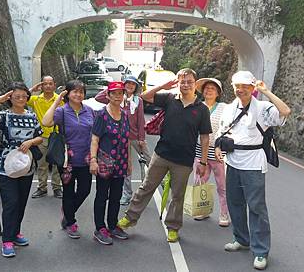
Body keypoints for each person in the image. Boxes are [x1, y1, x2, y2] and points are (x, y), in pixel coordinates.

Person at [117, 68, 212, 243]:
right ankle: (130, 218)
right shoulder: (169, 99)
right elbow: (145, 96)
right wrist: (164, 85)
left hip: (184, 160)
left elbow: (205, 137)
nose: (185, 84)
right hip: (161, 154)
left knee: (177, 195)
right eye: (182, 81)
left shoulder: (201, 109)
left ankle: (173, 227)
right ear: (178, 83)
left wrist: (203, 162)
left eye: (189, 81)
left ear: (195, 84)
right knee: (146, 187)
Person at [215, 71, 291, 270]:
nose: (241, 90)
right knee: (235, 203)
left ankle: (261, 251)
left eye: (246, 86)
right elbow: (221, 132)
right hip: (232, 162)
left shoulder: (264, 108)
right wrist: (217, 146)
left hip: (254, 164)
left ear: (252, 88)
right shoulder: (230, 108)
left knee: (256, 207)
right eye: (237, 86)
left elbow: (285, 111)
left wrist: (266, 91)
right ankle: (241, 239)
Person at [0, 82, 43, 258]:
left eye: (24, 96)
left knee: (21, 202)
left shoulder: (32, 116)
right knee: (10, 203)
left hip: (26, 166)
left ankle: (16, 232)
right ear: (10, 98)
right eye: (16, 96)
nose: (21, 99)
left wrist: (30, 142)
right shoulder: (5, 116)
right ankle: (7, 240)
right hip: (6, 166)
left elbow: (40, 136)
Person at [42, 79, 95, 240]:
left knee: (85, 190)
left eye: (81, 91)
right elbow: (46, 122)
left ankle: (68, 212)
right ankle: (71, 222)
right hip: (67, 161)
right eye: (75, 91)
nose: (78, 94)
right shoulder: (62, 111)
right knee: (68, 192)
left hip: (86, 159)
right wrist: (57, 100)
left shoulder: (90, 111)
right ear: (68, 93)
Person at [95, 75, 150, 206]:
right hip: (120, 139)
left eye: (133, 84)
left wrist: (142, 137)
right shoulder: (117, 98)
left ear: (136, 87)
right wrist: (115, 87)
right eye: (128, 84)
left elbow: (141, 119)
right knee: (125, 168)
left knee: (149, 160)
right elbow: (99, 98)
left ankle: (151, 188)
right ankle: (127, 194)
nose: (130, 86)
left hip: (135, 136)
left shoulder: (138, 101)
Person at [89, 81, 131, 245]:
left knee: (116, 195)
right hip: (105, 162)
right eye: (114, 93)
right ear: (108, 95)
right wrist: (93, 160)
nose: (117, 96)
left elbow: (127, 140)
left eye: (120, 93)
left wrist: (129, 162)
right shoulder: (101, 115)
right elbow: (94, 139)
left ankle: (113, 225)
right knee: (101, 195)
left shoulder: (125, 115)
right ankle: (100, 228)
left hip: (120, 162)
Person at [192, 78, 230, 226]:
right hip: (200, 151)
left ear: (218, 93)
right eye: (206, 88)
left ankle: (224, 214)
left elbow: (228, 128)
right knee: (200, 182)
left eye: (212, 89)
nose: (208, 91)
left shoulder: (225, 108)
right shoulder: (197, 106)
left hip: (218, 151)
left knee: (223, 185)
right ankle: (204, 210)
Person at [28, 76, 63, 199]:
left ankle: (57, 188)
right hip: (41, 137)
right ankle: (42, 188)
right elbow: (18, 98)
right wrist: (33, 88)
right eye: (45, 84)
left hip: (57, 135)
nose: (48, 86)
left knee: (56, 164)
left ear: (54, 85)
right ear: (41, 86)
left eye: (50, 83)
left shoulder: (60, 100)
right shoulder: (36, 99)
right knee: (41, 164)